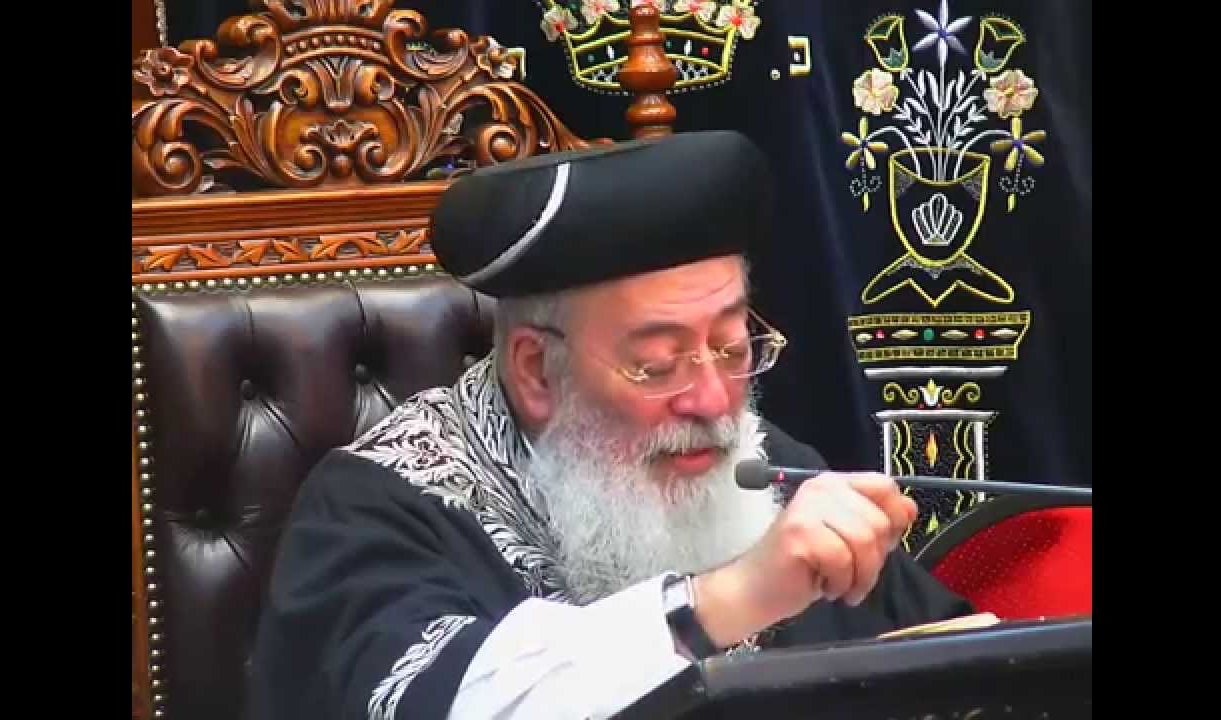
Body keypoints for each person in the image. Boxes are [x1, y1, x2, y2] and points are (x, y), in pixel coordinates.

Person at [245, 131, 973, 720]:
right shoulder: (377, 508)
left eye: (732, 348)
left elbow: (957, 671)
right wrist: (724, 600)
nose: (712, 401)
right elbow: (436, 699)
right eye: (657, 365)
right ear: (537, 371)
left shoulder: (768, 469)